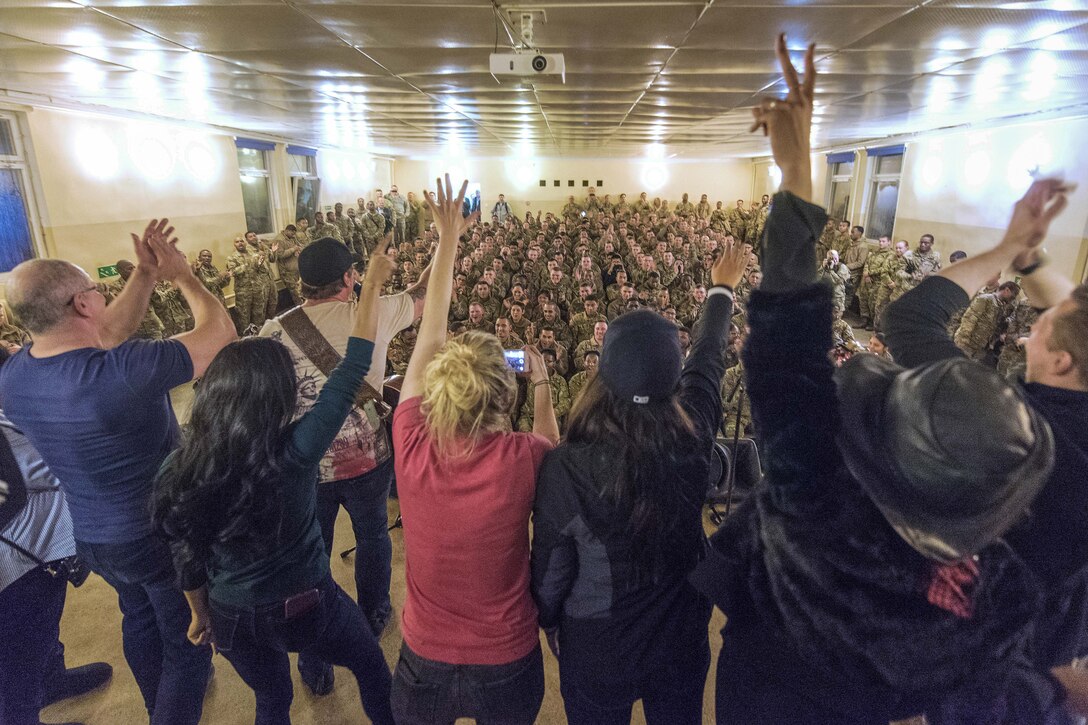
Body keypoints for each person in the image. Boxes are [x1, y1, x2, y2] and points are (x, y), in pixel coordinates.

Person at [692, 36, 1072, 723]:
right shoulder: (994, 605)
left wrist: (796, 167)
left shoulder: (812, 492)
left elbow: (784, 333)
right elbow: (1005, 699)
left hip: (759, 691)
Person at [0, 218, 236, 725]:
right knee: (188, 645)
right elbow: (220, 333)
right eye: (96, 291)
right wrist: (183, 277)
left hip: (93, 537)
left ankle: (155, 705)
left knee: (140, 618)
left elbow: (101, 333)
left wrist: (146, 276)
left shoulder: (16, 377)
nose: (104, 298)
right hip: (157, 533)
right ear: (83, 304)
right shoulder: (127, 370)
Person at [153, 245, 397, 725]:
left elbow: (187, 554)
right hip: (307, 603)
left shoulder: (180, 466)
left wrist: (200, 614)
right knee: (371, 666)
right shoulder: (296, 452)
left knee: (272, 700)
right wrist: (371, 283)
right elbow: (352, 370)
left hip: (230, 616)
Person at [532, 238, 748, 725]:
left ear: (603, 374)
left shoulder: (568, 466)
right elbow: (709, 361)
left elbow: (551, 572)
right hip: (680, 639)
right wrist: (721, 289)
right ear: (672, 376)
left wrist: (548, 621)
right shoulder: (694, 434)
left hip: (598, 648)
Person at [882, 177, 1088, 683]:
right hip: (1060, 640)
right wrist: (1031, 261)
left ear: (1061, 361)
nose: (1026, 330)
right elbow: (1068, 315)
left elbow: (909, 319)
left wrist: (1006, 247)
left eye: (1040, 327)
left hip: (981, 641)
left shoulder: (1008, 423)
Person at [390, 176, 559, 725]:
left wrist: (447, 239)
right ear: (503, 394)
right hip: (505, 656)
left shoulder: (411, 438)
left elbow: (430, 332)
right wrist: (541, 383)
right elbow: (552, 448)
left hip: (423, 656)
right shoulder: (525, 457)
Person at [258, 234, 431, 694]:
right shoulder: (371, 312)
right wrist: (445, 243)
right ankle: (374, 612)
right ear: (351, 278)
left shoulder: (272, 331)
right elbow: (424, 294)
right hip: (367, 459)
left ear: (302, 283)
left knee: (312, 548)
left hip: (305, 464)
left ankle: (314, 655)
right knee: (373, 535)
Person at [0, 346, 113, 725]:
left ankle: (52, 680)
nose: (19, 348)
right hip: (19, 564)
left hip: (42, 550)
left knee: (44, 627)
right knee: (17, 661)